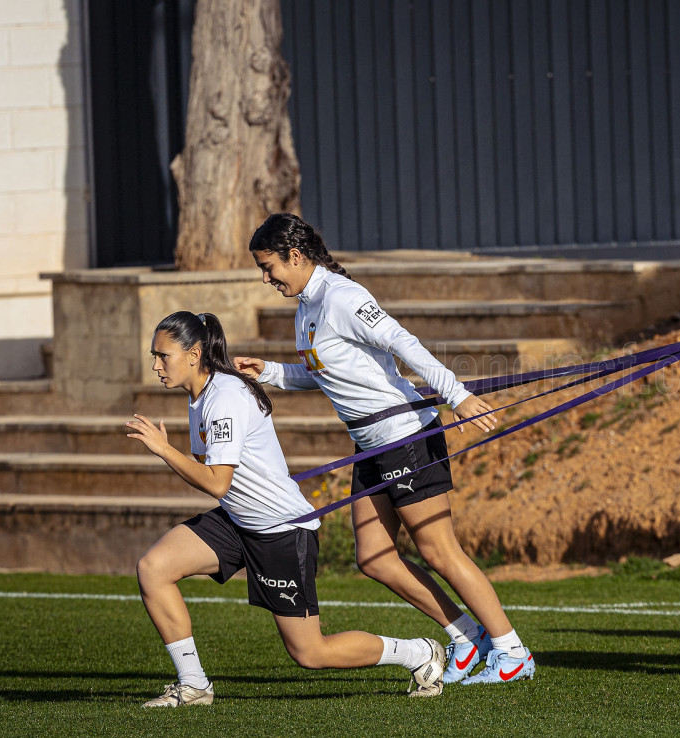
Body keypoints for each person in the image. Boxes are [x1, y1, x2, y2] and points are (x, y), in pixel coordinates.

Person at [235, 213, 534, 687]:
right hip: (369, 445)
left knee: (438, 550)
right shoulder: (307, 307)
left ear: (294, 255)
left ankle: (512, 652)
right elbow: (324, 375)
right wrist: (269, 372)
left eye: (268, 267)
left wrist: (456, 395)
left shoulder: (342, 297)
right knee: (374, 558)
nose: (266, 278)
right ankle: (466, 635)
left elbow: (402, 342)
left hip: (406, 437)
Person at [128, 311, 446, 707]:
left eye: (163, 355)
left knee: (311, 653)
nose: (156, 365)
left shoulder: (224, 396)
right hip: (238, 520)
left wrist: (164, 450)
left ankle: (419, 652)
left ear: (194, 355)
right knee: (154, 568)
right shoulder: (201, 395)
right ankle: (193, 685)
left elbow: (216, 482)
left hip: (281, 529)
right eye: (154, 356)